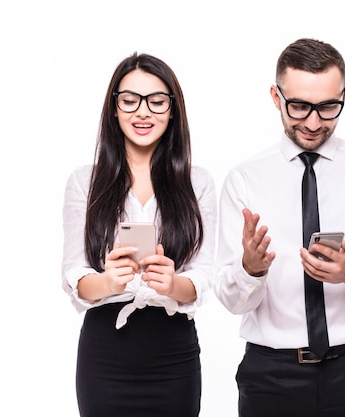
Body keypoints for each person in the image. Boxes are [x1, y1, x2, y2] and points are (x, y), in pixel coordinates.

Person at [214, 38, 345, 417]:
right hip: (270, 376)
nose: (313, 123)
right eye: (299, 106)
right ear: (276, 97)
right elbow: (232, 302)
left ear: (344, 95)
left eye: (328, 107)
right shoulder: (244, 179)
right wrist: (250, 270)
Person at [62, 52, 216, 417]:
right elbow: (72, 272)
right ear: (114, 108)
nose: (142, 112)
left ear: (172, 110)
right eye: (130, 100)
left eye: (157, 101)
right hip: (104, 354)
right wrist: (108, 283)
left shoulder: (198, 182)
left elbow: (205, 274)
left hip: (173, 352)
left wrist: (171, 283)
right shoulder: (85, 181)